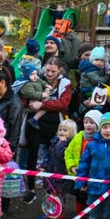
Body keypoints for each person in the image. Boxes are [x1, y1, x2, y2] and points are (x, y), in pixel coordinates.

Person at [21, 57, 71, 200]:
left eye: (53, 71)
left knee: (55, 157)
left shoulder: (65, 83)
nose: (49, 74)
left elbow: (62, 103)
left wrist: (42, 104)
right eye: (47, 70)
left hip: (55, 124)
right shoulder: (36, 78)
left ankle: (53, 190)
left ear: (59, 71)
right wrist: (31, 101)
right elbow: (25, 95)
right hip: (34, 123)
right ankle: (31, 189)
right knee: (32, 155)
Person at [65, 110, 103, 219]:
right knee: (80, 199)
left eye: (92, 122)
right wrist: (72, 166)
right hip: (79, 175)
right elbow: (68, 153)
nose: (88, 125)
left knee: (93, 201)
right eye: (86, 122)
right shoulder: (78, 137)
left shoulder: (100, 140)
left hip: (94, 176)